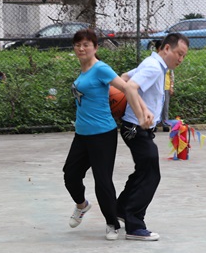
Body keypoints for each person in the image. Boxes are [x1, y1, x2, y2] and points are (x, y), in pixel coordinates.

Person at [63, 28, 152, 241]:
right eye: (78, 44)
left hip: (102, 134)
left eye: (86, 44)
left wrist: (143, 112)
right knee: (70, 175)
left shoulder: (101, 68)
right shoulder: (83, 72)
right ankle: (82, 205)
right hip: (82, 134)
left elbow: (128, 88)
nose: (81, 48)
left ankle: (112, 223)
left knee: (102, 181)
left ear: (95, 47)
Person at [117, 33, 189, 241]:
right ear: (166, 48)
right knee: (151, 174)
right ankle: (135, 225)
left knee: (143, 170)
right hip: (135, 128)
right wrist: (142, 114)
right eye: (179, 54)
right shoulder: (154, 66)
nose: (180, 59)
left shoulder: (153, 64)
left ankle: (120, 209)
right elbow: (129, 86)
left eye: (183, 56)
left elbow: (123, 78)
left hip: (137, 128)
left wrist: (141, 108)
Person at [154, 40, 175, 132]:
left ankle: (165, 123)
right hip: (156, 87)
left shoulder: (168, 61)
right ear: (159, 48)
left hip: (166, 87)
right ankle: (153, 124)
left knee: (165, 107)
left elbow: (171, 75)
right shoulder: (153, 61)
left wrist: (171, 86)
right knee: (154, 105)